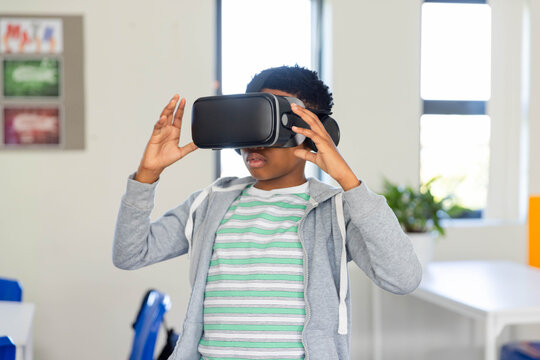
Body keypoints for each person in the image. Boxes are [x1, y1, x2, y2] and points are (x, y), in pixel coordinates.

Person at [113, 65, 422, 360]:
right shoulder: (209, 203)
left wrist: (349, 183)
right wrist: (146, 176)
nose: (255, 141)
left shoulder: (337, 211)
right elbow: (130, 253)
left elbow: (403, 278)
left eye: (269, 124)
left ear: (314, 131)